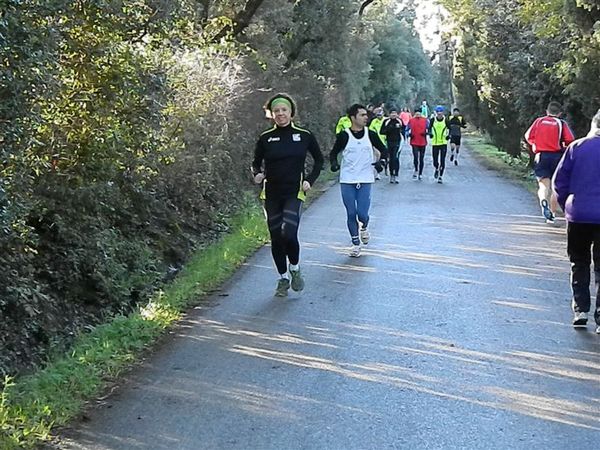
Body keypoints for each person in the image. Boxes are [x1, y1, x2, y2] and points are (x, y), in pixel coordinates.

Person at [252, 93, 324, 297]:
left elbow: (319, 160)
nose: (280, 114)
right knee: (276, 237)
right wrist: (257, 174)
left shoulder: (304, 135)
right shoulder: (266, 138)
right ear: (271, 114)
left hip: (295, 192)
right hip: (272, 194)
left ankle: (294, 268)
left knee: (289, 234)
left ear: (291, 112)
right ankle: (283, 278)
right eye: (276, 111)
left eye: (284, 110)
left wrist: (310, 179)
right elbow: (256, 162)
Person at [553, 109, 600, 332]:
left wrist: (566, 206)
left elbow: (559, 182)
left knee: (579, 261)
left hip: (578, 214)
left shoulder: (577, 147)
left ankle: (581, 309)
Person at [330, 104, 388, 257]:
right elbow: (333, 153)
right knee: (351, 213)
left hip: (365, 178)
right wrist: (334, 163)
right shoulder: (344, 135)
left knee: (362, 213)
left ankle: (364, 227)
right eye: (362, 115)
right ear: (353, 118)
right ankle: (355, 244)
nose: (365, 118)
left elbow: (384, 150)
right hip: (347, 179)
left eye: (366, 115)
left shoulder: (371, 134)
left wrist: (381, 162)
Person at [524, 101, 575, 223]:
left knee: (543, 185)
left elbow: (528, 136)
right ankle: (552, 215)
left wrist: (536, 144)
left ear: (547, 111)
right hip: (557, 156)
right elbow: (570, 139)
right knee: (555, 187)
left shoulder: (539, 121)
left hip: (541, 156)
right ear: (560, 113)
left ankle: (543, 201)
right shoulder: (561, 123)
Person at [380, 109, 405, 183]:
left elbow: (404, 129)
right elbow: (381, 131)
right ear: (389, 114)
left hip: (398, 141)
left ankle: (396, 175)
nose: (393, 115)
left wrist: (399, 128)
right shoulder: (386, 121)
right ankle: (391, 175)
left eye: (395, 113)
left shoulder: (399, 121)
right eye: (392, 113)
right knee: (390, 159)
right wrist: (390, 128)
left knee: (396, 158)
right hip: (389, 141)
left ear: (397, 114)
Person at [430, 106, 450, 183]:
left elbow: (450, 129)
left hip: (443, 142)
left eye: (441, 111)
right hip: (435, 143)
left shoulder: (446, 120)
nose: (439, 113)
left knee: (442, 160)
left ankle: (440, 176)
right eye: (438, 112)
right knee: (435, 160)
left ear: (443, 112)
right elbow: (429, 128)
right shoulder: (432, 120)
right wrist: (430, 133)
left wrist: (449, 135)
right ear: (436, 112)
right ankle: (436, 168)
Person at [408, 109, 429, 180]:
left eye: (419, 113)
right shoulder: (411, 120)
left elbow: (429, 128)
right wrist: (409, 134)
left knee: (421, 158)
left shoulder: (425, 120)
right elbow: (407, 129)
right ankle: (416, 169)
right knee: (415, 157)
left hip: (422, 141)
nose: (417, 114)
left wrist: (427, 133)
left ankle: (420, 173)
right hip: (414, 141)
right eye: (416, 113)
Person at [369, 107, 387, 179]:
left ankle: (386, 169)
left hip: (386, 141)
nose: (379, 116)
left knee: (386, 157)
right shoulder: (374, 121)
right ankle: (377, 173)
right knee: (377, 157)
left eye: (380, 114)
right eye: (378, 115)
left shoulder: (386, 120)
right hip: (377, 142)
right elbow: (371, 130)